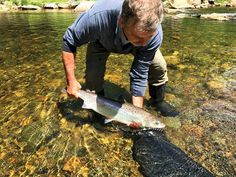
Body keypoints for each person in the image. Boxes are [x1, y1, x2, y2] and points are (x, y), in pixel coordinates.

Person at [62, 0, 179, 117]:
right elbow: (69, 40)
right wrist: (71, 81)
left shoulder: (153, 33)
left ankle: (157, 101)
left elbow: (139, 74)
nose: (144, 43)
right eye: (139, 37)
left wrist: (137, 115)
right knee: (92, 80)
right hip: (101, 40)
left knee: (158, 66)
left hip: (132, 43)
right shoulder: (96, 18)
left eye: (149, 36)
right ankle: (98, 111)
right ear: (122, 21)